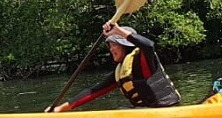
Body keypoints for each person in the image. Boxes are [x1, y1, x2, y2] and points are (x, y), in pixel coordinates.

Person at [48, 22, 181, 112]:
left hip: (167, 111)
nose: (111, 50)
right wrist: (58, 109)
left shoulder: (143, 60)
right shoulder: (120, 71)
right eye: (110, 46)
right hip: (145, 114)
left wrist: (118, 31)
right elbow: (93, 92)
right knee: (121, 110)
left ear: (125, 45)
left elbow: (149, 45)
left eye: (114, 45)